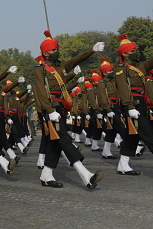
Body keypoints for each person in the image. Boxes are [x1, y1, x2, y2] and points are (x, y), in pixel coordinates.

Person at [33, 30, 105, 189]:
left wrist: (91, 50)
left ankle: (46, 175)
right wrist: (49, 111)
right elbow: (40, 91)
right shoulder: (41, 69)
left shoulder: (60, 66)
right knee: (64, 139)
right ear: (45, 53)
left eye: (56, 49)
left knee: (55, 143)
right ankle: (86, 175)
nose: (56, 52)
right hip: (50, 109)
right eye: (53, 50)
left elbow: (76, 59)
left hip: (61, 108)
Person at [114, 33, 153, 175]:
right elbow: (124, 90)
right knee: (148, 134)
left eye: (135, 50)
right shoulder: (120, 69)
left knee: (133, 135)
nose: (135, 52)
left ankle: (123, 165)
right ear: (124, 54)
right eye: (132, 51)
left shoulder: (140, 66)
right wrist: (129, 107)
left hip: (142, 103)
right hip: (132, 104)